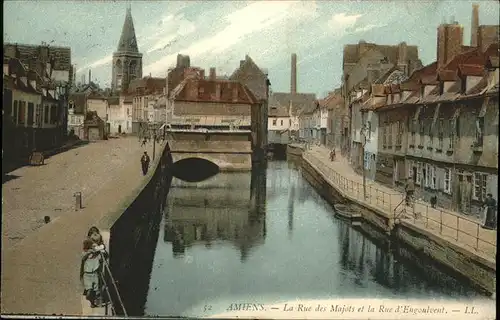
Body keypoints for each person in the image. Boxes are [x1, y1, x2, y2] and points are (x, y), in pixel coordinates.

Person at [80, 239, 101, 308]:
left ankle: (92, 302)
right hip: (87, 274)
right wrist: (89, 253)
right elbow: (83, 258)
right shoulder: (84, 253)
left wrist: (96, 248)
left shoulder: (95, 252)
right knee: (90, 289)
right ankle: (89, 296)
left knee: (95, 289)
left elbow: (100, 250)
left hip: (94, 273)